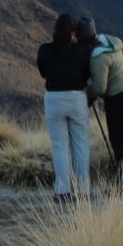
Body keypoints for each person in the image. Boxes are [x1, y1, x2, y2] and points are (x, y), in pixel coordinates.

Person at [78, 16, 123, 180]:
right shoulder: (108, 43)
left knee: (118, 139)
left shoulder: (97, 57)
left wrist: (88, 96)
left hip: (120, 99)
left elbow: (100, 87)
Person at [36, 13, 90, 199]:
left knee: (59, 146)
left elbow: (43, 73)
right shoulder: (82, 51)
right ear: (73, 32)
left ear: (55, 30)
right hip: (76, 98)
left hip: (53, 98)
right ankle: (82, 190)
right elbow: (87, 74)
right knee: (80, 145)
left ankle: (62, 190)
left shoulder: (44, 50)